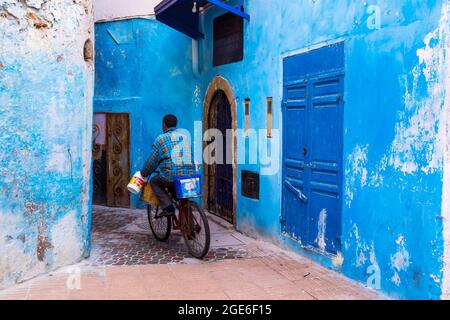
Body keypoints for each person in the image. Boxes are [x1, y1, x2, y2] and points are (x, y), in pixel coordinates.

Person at [141, 114, 196, 217]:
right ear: (176, 125)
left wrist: (144, 173)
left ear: (164, 125)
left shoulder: (161, 139)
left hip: (170, 176)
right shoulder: (185, 137)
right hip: (189, 175)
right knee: (177, 188)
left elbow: (151, 161)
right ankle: (189, 222)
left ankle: (168, 207)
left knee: (154, 181)